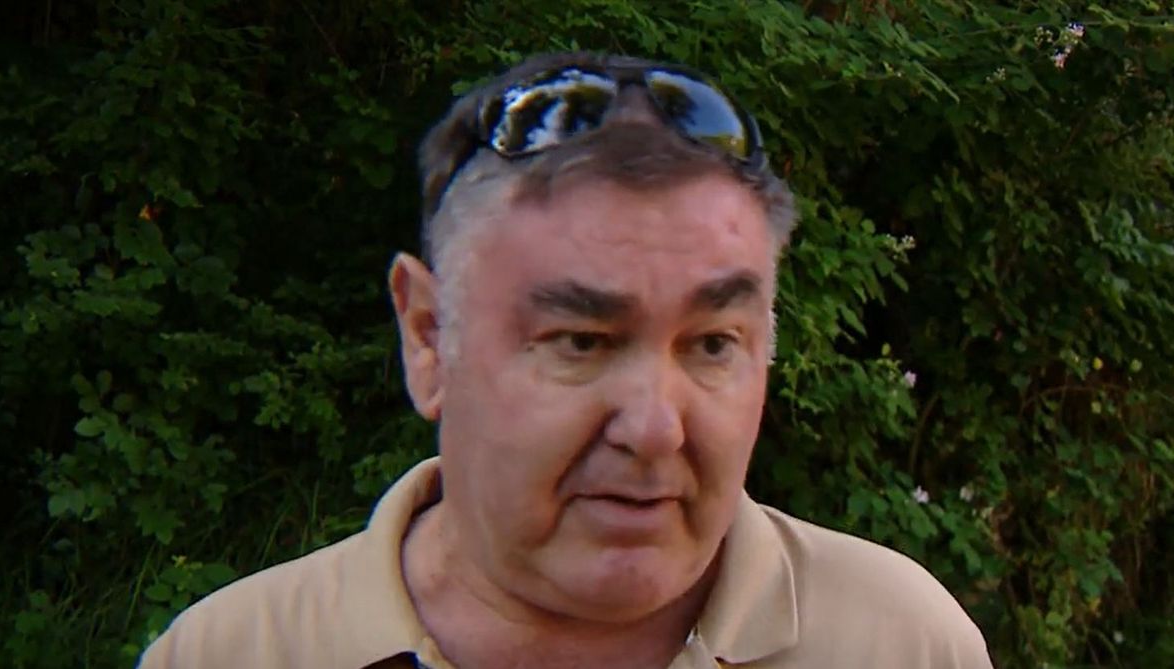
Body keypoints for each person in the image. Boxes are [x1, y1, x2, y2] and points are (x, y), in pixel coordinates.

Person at [138, 51, 993, 669]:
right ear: (428, 337)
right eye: (582, 341)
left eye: (711, 343)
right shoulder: (231, 652)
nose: (654, 428)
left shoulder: (901, 643)